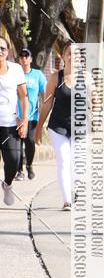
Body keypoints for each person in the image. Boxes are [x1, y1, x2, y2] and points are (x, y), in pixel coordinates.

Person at [35, 43, 73, 210]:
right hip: (58, 127)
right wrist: (38, 128)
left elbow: (94, 102)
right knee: (64, 161)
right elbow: (47, 103)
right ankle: (67, 201)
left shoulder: (86, 78)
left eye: (77, 54)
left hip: (79, 128)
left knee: (78, 163)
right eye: (69, 53)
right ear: (63, 57)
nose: (73, 57)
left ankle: (76, 189)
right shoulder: (55, 78)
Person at [0, 38, 29, 206]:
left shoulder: (16, 70)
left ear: (8, 51)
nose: (0, 51)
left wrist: (24, 120)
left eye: (2, 48)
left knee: (13, 160)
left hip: (10, 124)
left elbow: (24, 96)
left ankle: (8, 184)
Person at [15, 48, 46, 180]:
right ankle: (19, 171)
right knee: (16, 144)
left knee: (30, 142)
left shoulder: (38, 75)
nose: (24, 58)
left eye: (26, 56)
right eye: (21, 56)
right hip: (16, 116)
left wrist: (45, 111)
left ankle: (29, 165)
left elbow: (45, 95)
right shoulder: (15, 74)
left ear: (31, 59)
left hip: (32, 116)